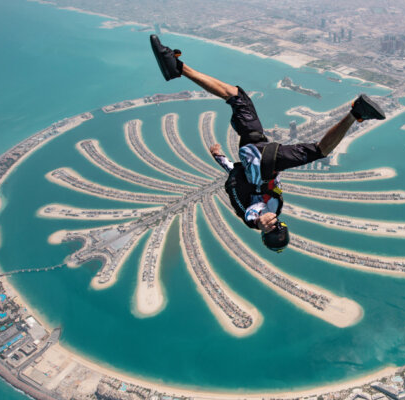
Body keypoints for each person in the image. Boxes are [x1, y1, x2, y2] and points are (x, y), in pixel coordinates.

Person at [150, 34, 386, 252]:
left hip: (262, 160)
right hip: (261, 157)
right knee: (237, 98)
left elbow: (253, 216)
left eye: (275, 231)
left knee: (314, 147)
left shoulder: (259, 216)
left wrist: (260, 222)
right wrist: (218, 157)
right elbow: (234, 173)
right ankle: (177, 68)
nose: (276, 227)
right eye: (278, 229)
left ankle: (357, 112)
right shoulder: (271, 210)